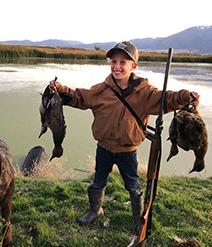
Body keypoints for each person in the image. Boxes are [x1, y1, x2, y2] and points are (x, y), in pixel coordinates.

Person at [49, 41, 200, 235]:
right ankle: (95, 211)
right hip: (103, 148)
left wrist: (186, 96)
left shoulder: (146, 93)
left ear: (134, 66)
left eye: (123, 62)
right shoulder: (101, 89)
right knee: (98, 181)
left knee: (133, 185)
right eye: (113, 61)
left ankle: (139, 220)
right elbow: (79, 97)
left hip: (128, 151)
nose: (117, 66)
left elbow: (168, 98)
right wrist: (61, 89)